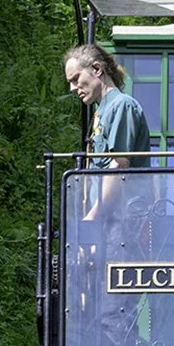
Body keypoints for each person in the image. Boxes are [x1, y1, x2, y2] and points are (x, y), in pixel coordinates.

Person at [63, 43, 150, 218]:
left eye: (76, 78)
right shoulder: (101, 112)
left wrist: (93, 217)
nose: (72, 88)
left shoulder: (122, 105)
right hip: (108, 219)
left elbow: (119, 165)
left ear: (97, 69)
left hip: (124, 220)